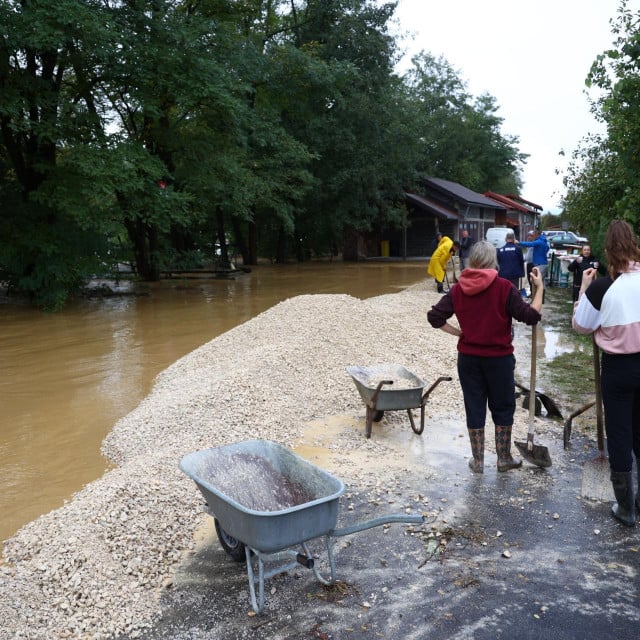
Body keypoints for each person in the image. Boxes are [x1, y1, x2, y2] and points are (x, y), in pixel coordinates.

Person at [427, 240, 544, 473]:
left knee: (474, 406)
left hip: (469, 359)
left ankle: (478, 461)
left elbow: (435, 317)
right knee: (503, 406)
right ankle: (503, 459)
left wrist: (460, 333)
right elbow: (531, 316)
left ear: (473, 261)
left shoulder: (459, 289)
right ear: (493, 261)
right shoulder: (503, 287)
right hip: (499, 360)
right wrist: (539, 288)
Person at [572, 219, 640, 527]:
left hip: (618, 369)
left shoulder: (603, 287)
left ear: (609, 251)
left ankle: (626, 509)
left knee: (621, 434)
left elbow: (581, 326)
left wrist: (584, 288)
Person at [517, 229, 549, 293]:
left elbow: (530, 244)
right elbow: (547, 248)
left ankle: (537, 297)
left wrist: (518, 243)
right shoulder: (543, 240)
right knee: (540, 281)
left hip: (540, 264)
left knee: (538, 282)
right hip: (540, 263)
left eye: (533, 235)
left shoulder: (539, 241)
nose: (532, 236)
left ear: (537, 234)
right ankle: (539, 297)